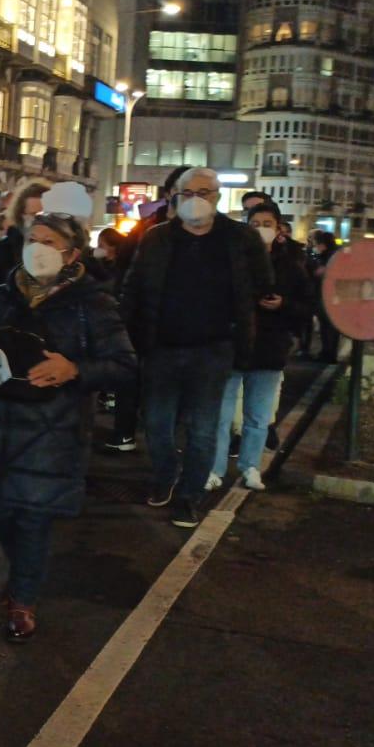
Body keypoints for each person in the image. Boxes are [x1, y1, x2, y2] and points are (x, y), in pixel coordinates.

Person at [0, 212, 137, 641]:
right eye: (31, 239)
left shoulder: (93, 304)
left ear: (72, 253)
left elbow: (123, 365)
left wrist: (74, 368)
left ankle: (23, 600)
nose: (36, 248)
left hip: (52, 432)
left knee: (34, 518)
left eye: (48, 241)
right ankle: (23, 573)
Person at [120, 167, 273, 528]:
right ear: (175, 196)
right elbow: (133, 289)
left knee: (204, 429)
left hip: (213, 349)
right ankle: (165, 475)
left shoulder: (240, 238)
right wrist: (126, 338)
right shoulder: (156, 238)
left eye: (204, 193)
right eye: (188, 193)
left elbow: (264, 281)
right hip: (161, 347)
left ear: (218, 198)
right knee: (157, 424)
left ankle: (190, 495)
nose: (196, 200)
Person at [208, 202, 313, 491]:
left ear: (279, 229)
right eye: (255, 224)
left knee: (258, 417)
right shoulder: (232, 261)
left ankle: (250, 467)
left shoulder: (291, 266)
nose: (261, 230)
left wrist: (283, 305)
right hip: (231, 347)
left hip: (269, 349)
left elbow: (307, 307)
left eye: (267, 224)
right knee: (221, 415)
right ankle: (214, 468)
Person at [0, 180, 50, 295]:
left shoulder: (67, 248)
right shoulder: (7, 249)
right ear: (21, 216)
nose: (39, 221)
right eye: (33, 215)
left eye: (45, 214)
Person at [308, 230, 340, 363]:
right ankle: (328, 352)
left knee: (328, 327)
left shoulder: (329, 257)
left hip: (328, 296)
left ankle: (328, 353)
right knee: (328, 327)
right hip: (331, 296)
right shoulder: (335, 255)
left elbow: (321, 273)